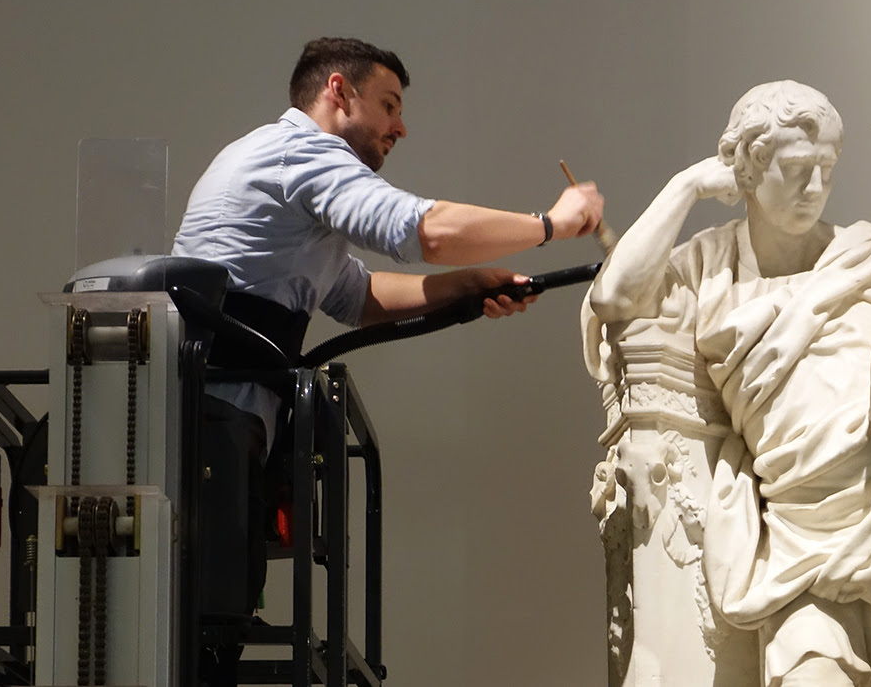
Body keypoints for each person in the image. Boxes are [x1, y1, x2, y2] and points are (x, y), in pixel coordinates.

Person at [172, 37, 603, 686]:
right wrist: (550, 225)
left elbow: (358, 295)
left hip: (224, 419)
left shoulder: (292, 183)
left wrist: (467, 283)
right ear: (338, 92)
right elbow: (422, 231)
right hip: (212, 413)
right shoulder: (302, 153)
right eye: (389, 104)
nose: (400, 126)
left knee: (210, 630)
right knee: (200, 637)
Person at [586, 81, 871, 686]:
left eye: (826, 168)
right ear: (744, 166)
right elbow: (614, 297)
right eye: (797, 168)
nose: (815, 187)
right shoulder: (705, 269)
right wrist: (688, 186)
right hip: (796, 534)